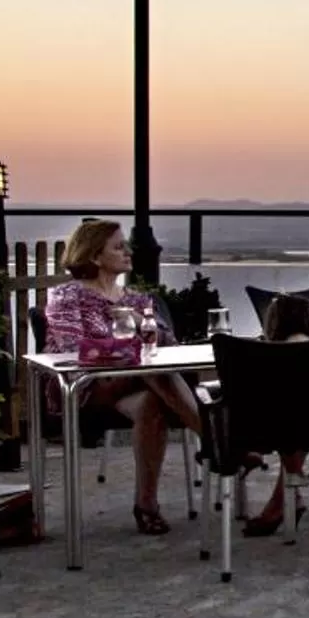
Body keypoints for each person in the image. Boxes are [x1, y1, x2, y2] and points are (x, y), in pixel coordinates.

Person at [40, 219, 201, 536]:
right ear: (94, 256)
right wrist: (130, 345)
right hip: (84, 387)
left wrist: (140, 321)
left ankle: (146, 504)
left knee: (151, 401)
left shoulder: (137, 300)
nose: (128, 251)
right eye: (118, 247)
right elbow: (74, 349)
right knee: (154, 373)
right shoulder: (67, 296)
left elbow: (168, 345)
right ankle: (217, 441)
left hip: (134, 385)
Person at [240, 295, 309, 537]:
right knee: (295, 413)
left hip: (284, 429)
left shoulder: (280, 352)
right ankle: (288, 497)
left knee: (287, 414)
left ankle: (283, 501)